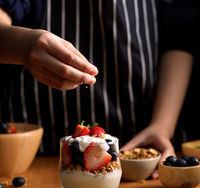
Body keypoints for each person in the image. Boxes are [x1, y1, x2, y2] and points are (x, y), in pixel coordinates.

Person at [0, 0, 192, 178]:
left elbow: (180, 35)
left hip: (145, 157)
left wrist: (162, 126)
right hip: (34, 161)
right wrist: (22, 44)